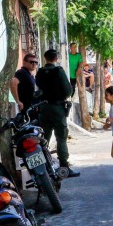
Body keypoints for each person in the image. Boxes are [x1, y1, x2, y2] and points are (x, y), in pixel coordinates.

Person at [36, 49, 79, 178]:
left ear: (45, 58)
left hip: (44, 108)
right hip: (58, 108)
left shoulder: (40, 72)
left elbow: (38, 86)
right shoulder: (59, 71)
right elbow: (67, 91)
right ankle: (64, 166)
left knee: (43, 139)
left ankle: (42, 168)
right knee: (61, 138)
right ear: (56, 58)